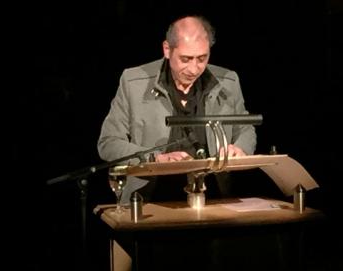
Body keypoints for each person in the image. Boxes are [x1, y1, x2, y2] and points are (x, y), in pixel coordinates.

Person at [97, 15, 257, 203]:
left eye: (202, 58)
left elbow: (246, 128)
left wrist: (240, 149)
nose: (194, 68)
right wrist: (155, 159)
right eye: (186, 59)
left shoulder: (228, 81)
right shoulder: (133, 83)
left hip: (214, 199)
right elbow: (108, 143)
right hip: (149, 201)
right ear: (167, 49)